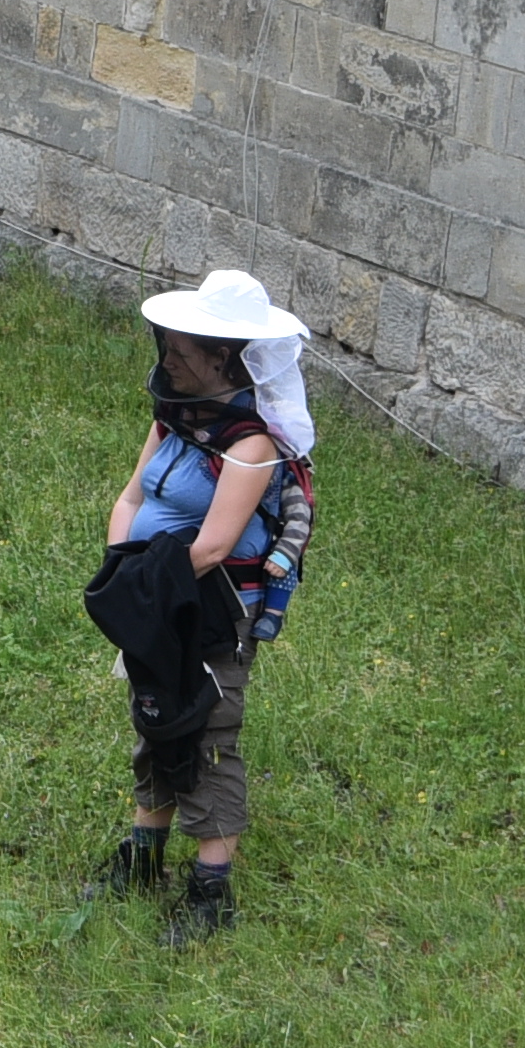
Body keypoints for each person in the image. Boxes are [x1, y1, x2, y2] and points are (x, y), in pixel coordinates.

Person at [101, 269, 320, 946]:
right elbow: (132, 498)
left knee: (207, 735)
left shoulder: (250, 443)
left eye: (181, 346)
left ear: (223, 357)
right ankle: (142, 856)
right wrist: (120, 566)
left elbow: (215, 543)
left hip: (208, 611)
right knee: (155, 717)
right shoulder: (176, 419)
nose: (166, 354)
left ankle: (211, 891)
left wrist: (145, 585)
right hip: (157, 599)